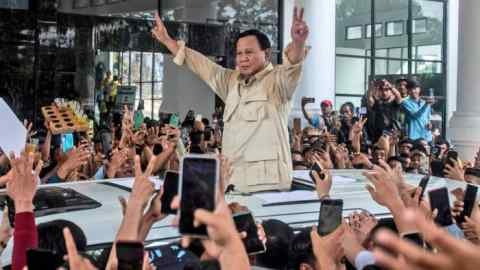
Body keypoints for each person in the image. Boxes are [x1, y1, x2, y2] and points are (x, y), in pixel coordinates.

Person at [152, 7, 309, 192]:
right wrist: (168, 42)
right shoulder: (231, 81)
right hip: (233, 184)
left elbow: (292, 67)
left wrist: (298, 43)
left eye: (249, 52)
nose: (242, 58)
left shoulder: (276, 82)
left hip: (268, 188)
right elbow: (201, 65)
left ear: (266, 54)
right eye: (239, 53)